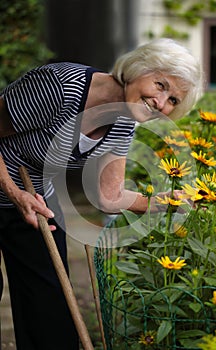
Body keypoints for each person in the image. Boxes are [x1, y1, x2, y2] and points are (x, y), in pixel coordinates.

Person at [0, 38, 203, 349]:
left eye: (173, 100)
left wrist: (166, 203)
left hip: (35, 200)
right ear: (139, 68)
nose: (161, 103)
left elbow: (108, 196)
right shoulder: (60, 87)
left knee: (50, 309)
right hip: (14, 187)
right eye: (160, 85)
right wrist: (14, 193)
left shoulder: (124, 120)